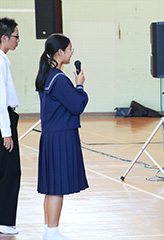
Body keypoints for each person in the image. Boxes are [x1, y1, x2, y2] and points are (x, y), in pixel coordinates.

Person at [35, 33, 89, 240]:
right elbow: (76, 105)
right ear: (59, 52)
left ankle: (50, 230)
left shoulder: (47, 75)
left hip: (51, 135)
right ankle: (53, 232)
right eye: (69, 49)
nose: (71, 52)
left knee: (52, 188)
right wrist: (80, 86)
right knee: (57, 188)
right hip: (61, 136)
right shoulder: (59, 78)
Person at [0, 17, 21, 235]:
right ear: (4, 38)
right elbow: (0, 99)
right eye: (15, 37)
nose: (18, 41)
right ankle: (5, 220)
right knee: (10, 172)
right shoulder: (0, 62)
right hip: (4, 120)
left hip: (5, 118)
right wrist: (6, 132)